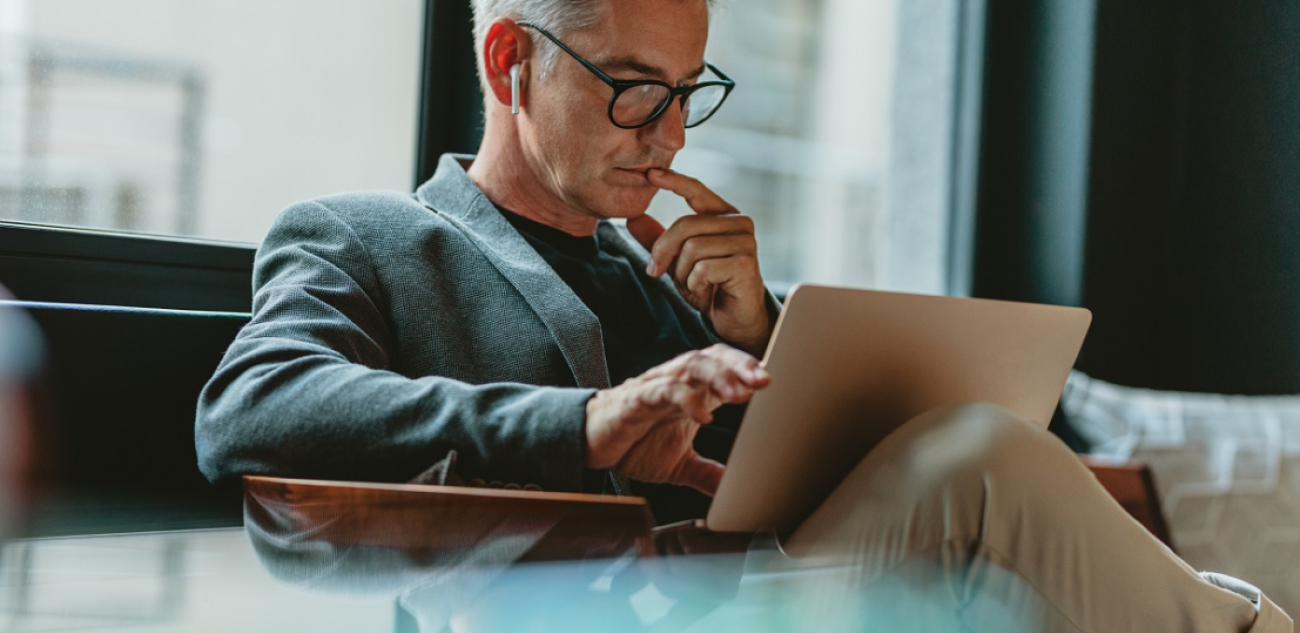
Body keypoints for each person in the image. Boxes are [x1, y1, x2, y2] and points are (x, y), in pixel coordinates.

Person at [195, 0, 1291, 630]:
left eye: (687, 92)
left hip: (747, 595)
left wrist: (763, 334)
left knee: (986, 487)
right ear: (509, 61)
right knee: (978, 465)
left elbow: (794, 492)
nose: (669, 137)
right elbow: (252, 407)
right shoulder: (365, 236)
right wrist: (583, 425)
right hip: (568, 613)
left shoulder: (673, 285)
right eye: (634, 88)